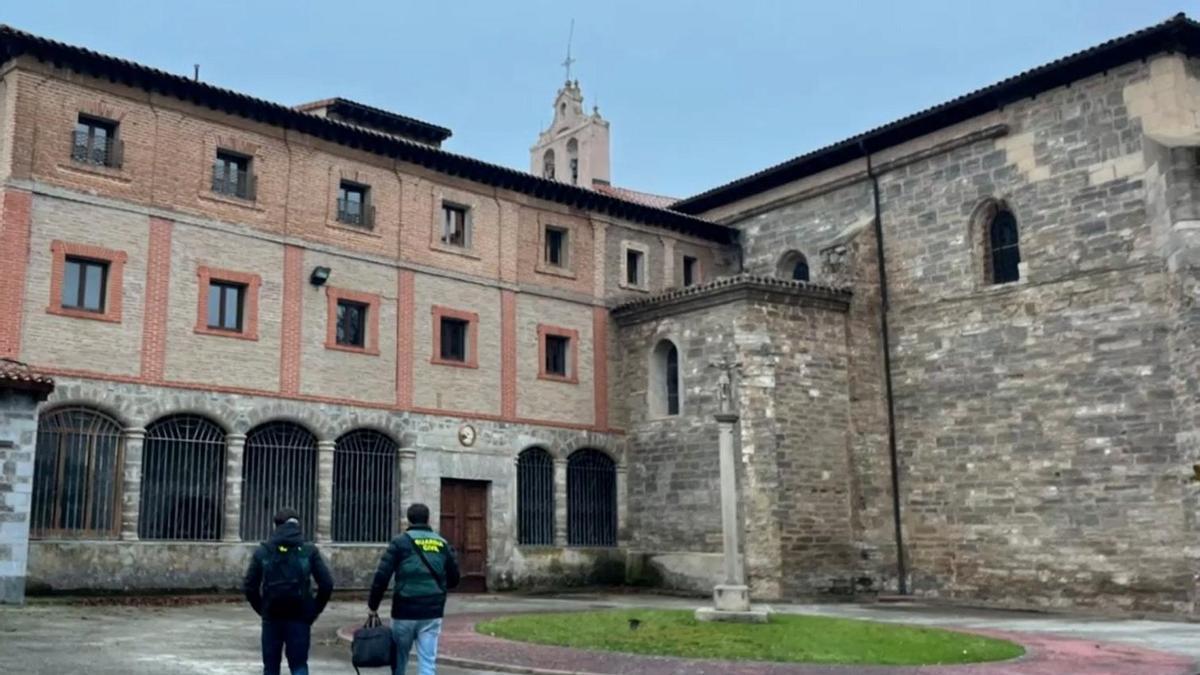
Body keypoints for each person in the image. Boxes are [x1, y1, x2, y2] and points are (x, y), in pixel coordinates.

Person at [368, 503, 461, 675]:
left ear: (408, 519)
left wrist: (373, 606)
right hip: (432, 610)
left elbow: (382, 576)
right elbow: (454, 578)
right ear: (428, 518)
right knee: (427, 661)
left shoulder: (400, 542)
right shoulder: (442, 544)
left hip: (404, 610)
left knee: (400, 659)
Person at [243, 508, 334, 675]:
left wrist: (263, 609)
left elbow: (249, 586)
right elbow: (326, 584)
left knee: (271, 668)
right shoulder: (308, 551)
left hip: (272, 616)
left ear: (275, 526)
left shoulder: (263, 551)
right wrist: (313, 611)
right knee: (299, 665)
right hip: (300, 617)